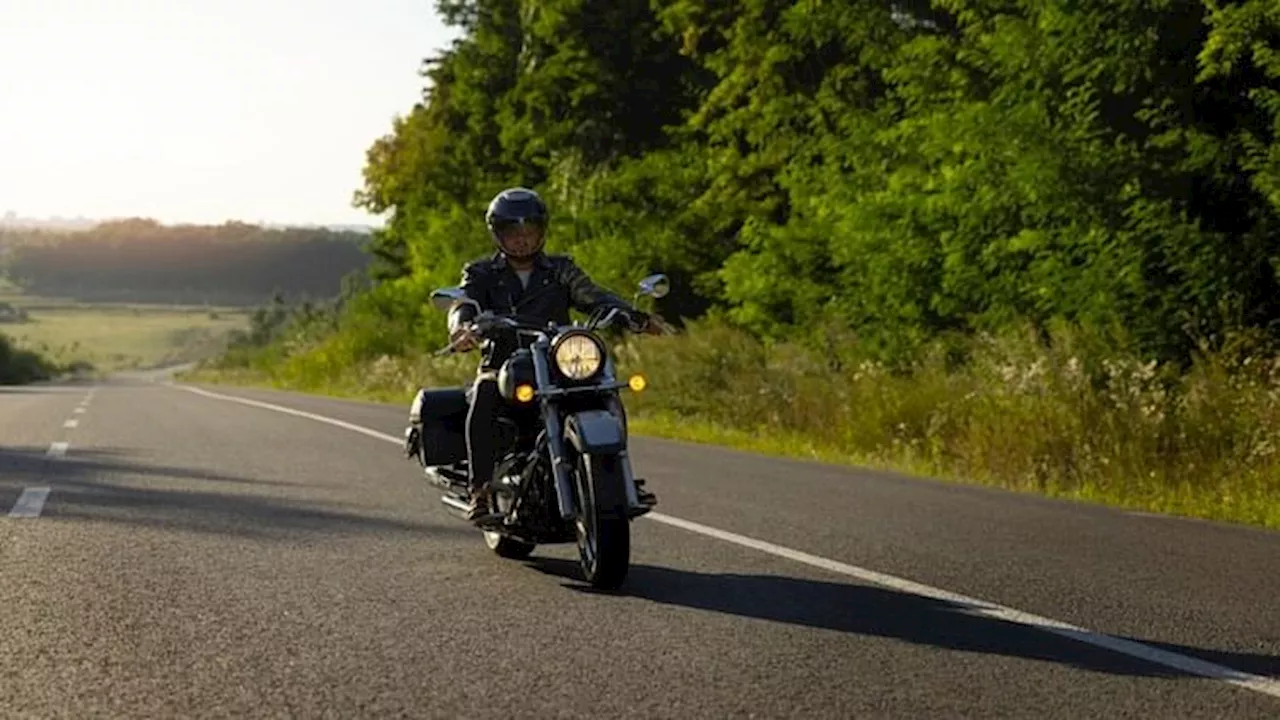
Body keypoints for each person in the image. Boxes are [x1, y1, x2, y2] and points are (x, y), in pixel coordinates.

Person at [445, 187, 663, 522]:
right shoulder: (481, 273)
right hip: (504, 363)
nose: (522, 241)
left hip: (557, 363)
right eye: (513, 234)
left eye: (529, 232)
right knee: (484, 393)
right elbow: (463, 302)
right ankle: (481, 491)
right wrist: (462, 328)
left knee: (606, 393)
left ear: (541, 231)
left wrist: (634, 317)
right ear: (498, 235)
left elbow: (595, 296)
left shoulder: (560, 270)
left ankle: (615, 477)